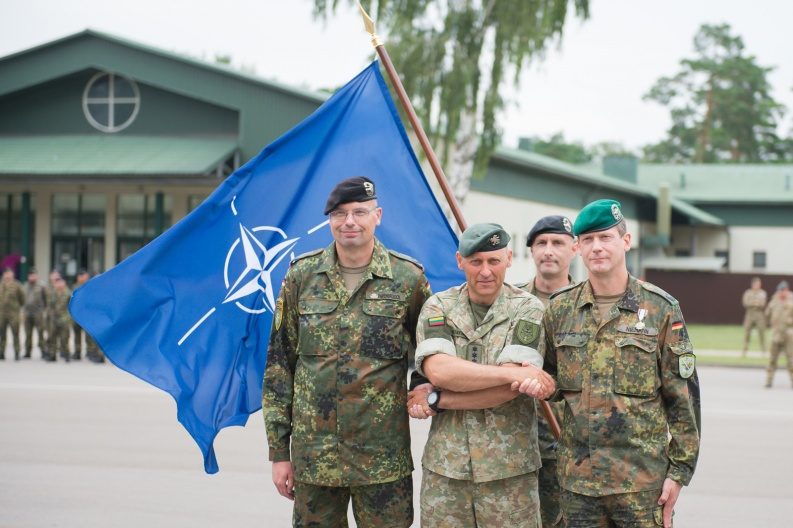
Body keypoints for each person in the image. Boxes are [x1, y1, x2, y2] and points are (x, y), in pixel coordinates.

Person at [262, 177, 431, 527]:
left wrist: (422, 386)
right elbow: (280, 365)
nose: (349, 221)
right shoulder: (301, 276)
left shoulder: (408, 278)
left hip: (382, 459)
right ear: (329, 220)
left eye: (359, 212)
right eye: (339, 213)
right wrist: (279, 453)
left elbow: (430, 351)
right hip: (315, 458)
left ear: (378, 216)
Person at [533, 199, 701, 528]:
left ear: (626, 241)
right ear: (578, 247)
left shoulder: (660, 308)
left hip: (641, 484)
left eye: (605, 237)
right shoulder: (560, 309)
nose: (597, 247)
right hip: (578, 484)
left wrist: (679, 473)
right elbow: (549, 380)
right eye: (588, 240)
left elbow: (683, 398)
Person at [407, 222, 555, 528]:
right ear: (460, 261)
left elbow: (514, 389)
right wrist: (505, 374)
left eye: (494, 261)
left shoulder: (528, 308)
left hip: (510, 472)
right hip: (447, 471)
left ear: (509, 259)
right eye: (475, 262)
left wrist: (440, 399)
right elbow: (439, 370)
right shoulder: (439, 306)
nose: (485, 271)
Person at [516, 215, 578, 528]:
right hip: (514, 444)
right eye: (541, 243)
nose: (548, 250)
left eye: (557, 243)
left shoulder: (586, 307)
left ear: (574, 249)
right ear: (531, 250)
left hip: (566, 443)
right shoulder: (510, 302)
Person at [764, 281, 793, 388]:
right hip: (776, 334)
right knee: (772, 359)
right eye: (780, 290)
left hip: (788, 334)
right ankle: (769, 380)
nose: (782, 292)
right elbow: (767, 314)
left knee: (791, 359)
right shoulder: (774, 301)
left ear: (787, 290)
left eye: (783, 290)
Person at [71, 270, 104, 362]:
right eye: (80, 276)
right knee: (77, 335)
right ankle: (77, 352)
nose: (81, 278)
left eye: (83, 276)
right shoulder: (74, 287)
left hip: (88, 316)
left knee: (89, 335)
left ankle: (91, 352)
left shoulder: (91, 287)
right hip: (77, 314)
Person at [0, 267, 25, 360]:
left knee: (15, 333)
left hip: (13, 314)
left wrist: (17, 307)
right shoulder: (1, 284)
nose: (7, 275)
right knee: (2, 334)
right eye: (6, 273)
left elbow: (22, 298)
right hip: (2, 313)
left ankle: (17, 352)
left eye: (9, 273)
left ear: (12, 274)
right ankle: (1, 352)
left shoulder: (17, 285)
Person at [23, 267, 47, 359]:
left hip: (38, 313)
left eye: (33, 275)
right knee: (28, 333)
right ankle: (27, 352)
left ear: (37, 276)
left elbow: (46, 299)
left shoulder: (42, 286)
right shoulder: (25, 286)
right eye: (30, 275)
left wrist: (43, 310)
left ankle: (43, 351)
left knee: (40, 332)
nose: (32, 277)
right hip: (27, 313)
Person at [49, 277, 73, 362]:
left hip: (64, 319)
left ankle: (67, 354)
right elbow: (50, 306)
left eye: (60, 282)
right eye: (57, 283)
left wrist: (69, 318)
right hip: (54, 319)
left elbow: (71, 307)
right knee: (53, 337)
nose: (59, 285)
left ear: (64, 283)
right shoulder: (53, 293)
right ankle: (52, 355)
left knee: (64, 338)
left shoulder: (68, 293)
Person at [742, 276, 767, 356]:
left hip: (759, 315)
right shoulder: (748, 292)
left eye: (759, 284)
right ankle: (744, 350)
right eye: (756, 284)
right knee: (747, 333)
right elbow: (745, 303)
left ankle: (763, 350)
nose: (758, 285)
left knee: (761, 333)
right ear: (753, 284)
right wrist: (755, 303)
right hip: (749, 314)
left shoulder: (762, 293)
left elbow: (762, 304)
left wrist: (753, 302)